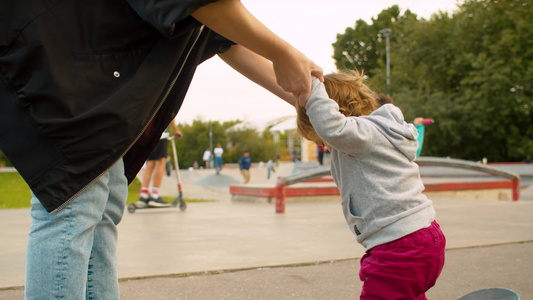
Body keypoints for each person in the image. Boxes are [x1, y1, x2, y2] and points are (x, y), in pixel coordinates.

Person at [0, 1, 324, 298]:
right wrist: (282, 51)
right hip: (60, 55)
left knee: (104, 204)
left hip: (85, 66)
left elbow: (227, 35)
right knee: (73, 206)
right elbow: (206, 6)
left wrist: (302, 97)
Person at [296, 71, 445, 299]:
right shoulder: (381, 131)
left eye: (320, 140)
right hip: (423, 239)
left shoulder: (362, 134)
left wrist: (313, 82)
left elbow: (332, 128)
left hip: (399, 248)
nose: (326, 146)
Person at [137, 122, 181, 208]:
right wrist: (176, 130)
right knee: (160, 162)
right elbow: (170, 112)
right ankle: (154, 196)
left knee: (150, 163)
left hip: (147, 132)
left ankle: (144, 196)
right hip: (160, 133)